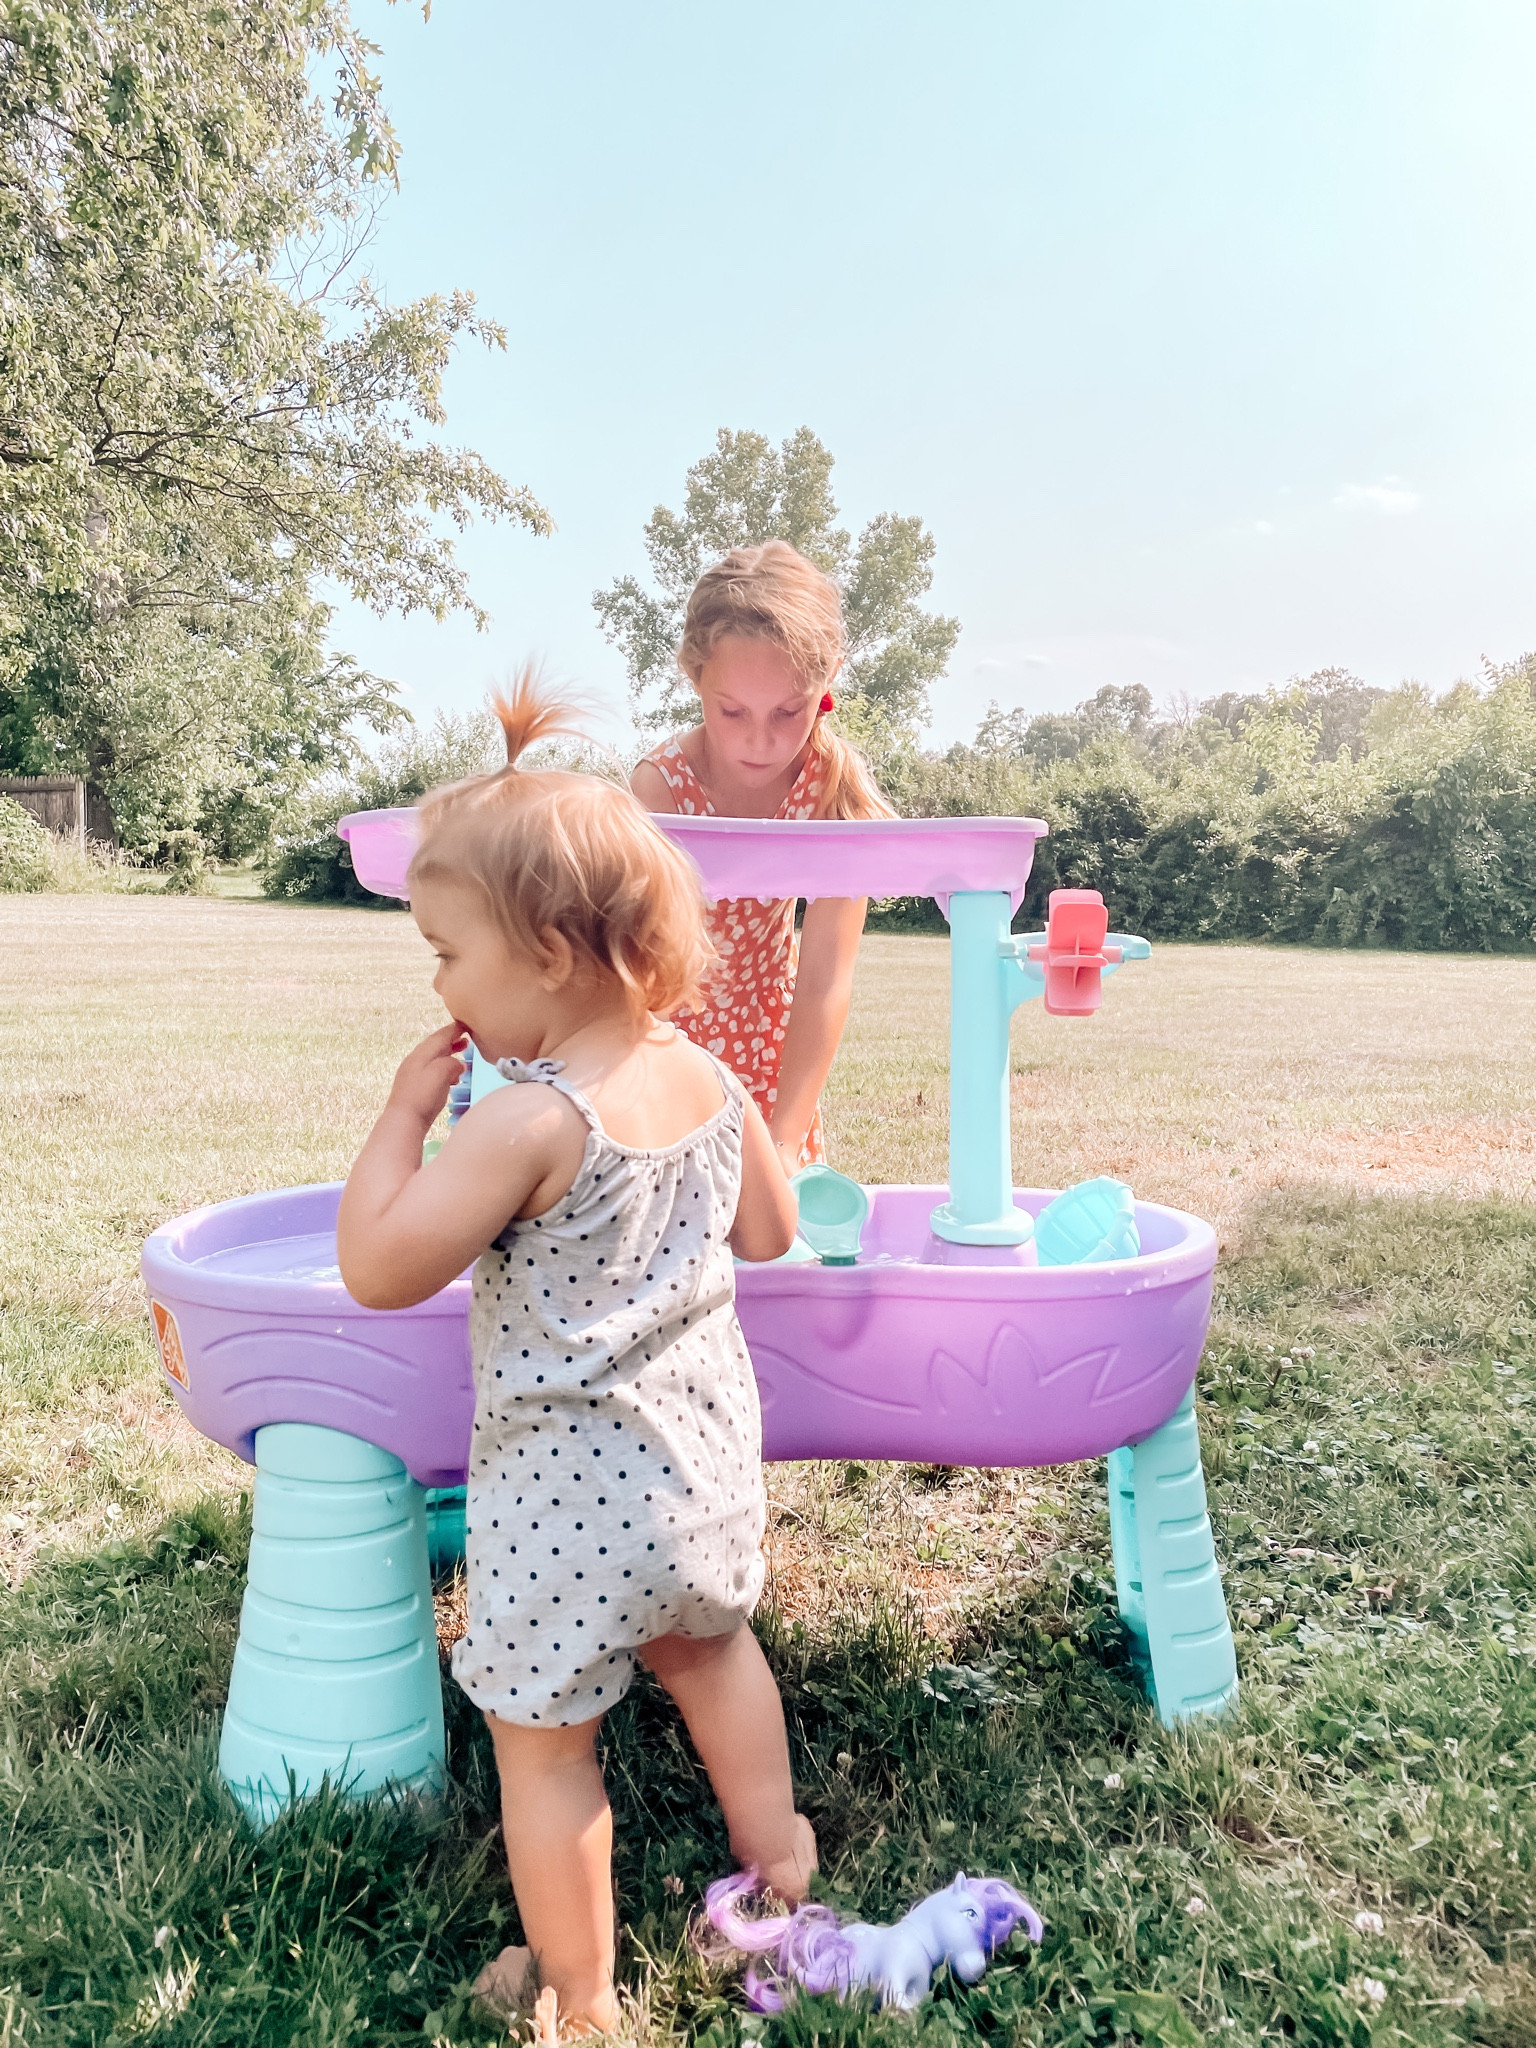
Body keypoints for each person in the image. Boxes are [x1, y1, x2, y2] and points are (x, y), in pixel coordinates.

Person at [336, 674, 815, 2037]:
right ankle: (777, 1864)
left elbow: (378, 1266)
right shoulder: (712, 1082)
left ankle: (583, 1990)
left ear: (547, 950)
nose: (439, 983)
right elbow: (771, 1232)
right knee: (716, 1659)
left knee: (545, 1753)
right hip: (702, 1476)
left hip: (566, 1512)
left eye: (445, 952)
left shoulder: (525, 1122)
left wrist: (398, 1118)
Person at [632, 540, 892, 1175]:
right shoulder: (661, 787)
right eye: (732, 711)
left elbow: (826, 979)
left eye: (788, 711)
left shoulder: (831, 789)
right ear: (695, 676)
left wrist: (783, 1138)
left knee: (774, 1243)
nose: (759, 740)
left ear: (827, 678)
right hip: (662, 1044)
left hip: (774, 1047)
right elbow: (634, 969)